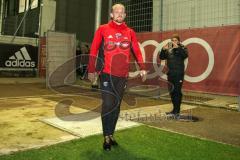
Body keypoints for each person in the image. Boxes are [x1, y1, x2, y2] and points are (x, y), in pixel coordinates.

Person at [88, 3, 147, 151]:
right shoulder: (103, 29)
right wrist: (91, 70)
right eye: (116, 11)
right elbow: (94, 49)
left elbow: (137, 51)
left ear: (125, 15)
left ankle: (111, 134)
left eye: (122, 12)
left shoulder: (130, 32)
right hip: (106, 74)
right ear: (111, 15)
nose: (119, 14)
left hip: (122, 76)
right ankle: (106, 137)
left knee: (116, 105)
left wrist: (143, 68)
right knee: (108, 104)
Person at [159, 34, 188, 118]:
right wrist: (163, 49)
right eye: (172, 40)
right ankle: (174, 110)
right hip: (170, 73)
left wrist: (177, 48)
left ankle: (177, 111)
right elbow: (161, 57)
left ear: (178, 41)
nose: (174, 42)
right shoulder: (169, 48)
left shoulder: (182, 47)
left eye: (175, 40)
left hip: (178, 74)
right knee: (172, 92)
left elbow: (185, 55)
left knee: (177, 92)